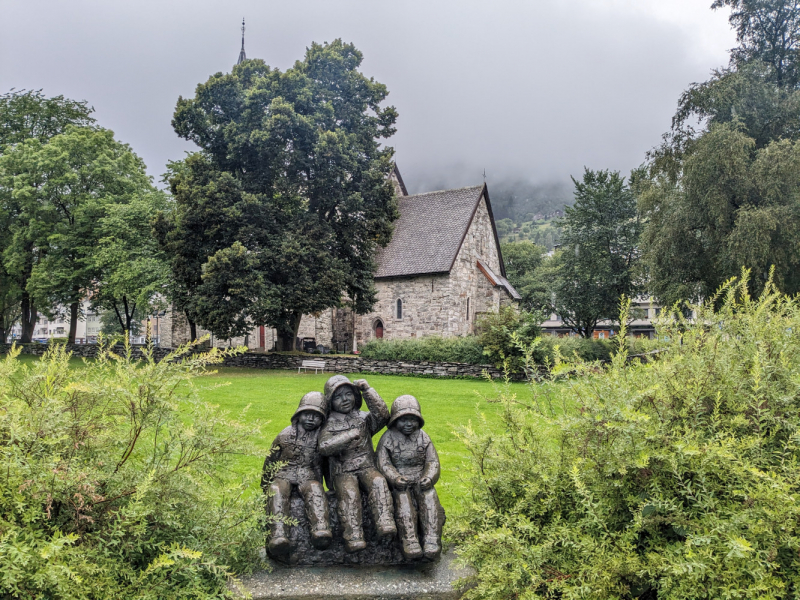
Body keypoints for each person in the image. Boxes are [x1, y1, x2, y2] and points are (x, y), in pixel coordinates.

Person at [318, 375, 396, 553]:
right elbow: (324, 447)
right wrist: (347, 436)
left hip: (366, 466)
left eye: (348, 394)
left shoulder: (363, 418)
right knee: (349, 493)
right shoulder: (329, 423)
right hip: (343, 469)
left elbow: (383, 416)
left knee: (378, 483)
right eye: (338, 397)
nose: (345, 400)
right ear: (330, 401)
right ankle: (353, 535)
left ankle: (385, 522)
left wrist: (368, 391)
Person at [262, 391, 332, 556]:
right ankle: (278, 534)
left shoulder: (321, 438)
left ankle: (321, 529)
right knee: (277, 491)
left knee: (315, 490)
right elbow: (271, 459)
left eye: (316, 416)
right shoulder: (285, 434)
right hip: (284, 473)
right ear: (299, 414)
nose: (310, 419)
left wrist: (330, 485)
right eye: (307, 414)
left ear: (322, 419)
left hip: (307, 474)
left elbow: (326, 464)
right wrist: (265, 483)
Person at [376, 395, 443, 560]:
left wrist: (429, 477)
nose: (408, 424)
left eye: (412, 420)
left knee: (429, 498)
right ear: (395, 421)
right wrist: (395, 478)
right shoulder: (388, 438)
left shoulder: (423, 437)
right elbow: (383, 464)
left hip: (420, 479)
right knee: (403, 501)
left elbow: (432, 461)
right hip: (400, 482)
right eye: (403, 420)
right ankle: (409, 539)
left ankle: (431, 539)